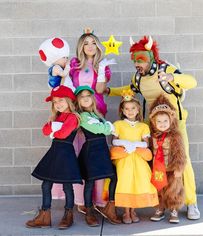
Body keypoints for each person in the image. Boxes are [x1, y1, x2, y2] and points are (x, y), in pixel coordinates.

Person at [107, 36, 200, 220]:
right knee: (156, 164)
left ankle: (191, 202)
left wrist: (172, 77)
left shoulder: (166, 69)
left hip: (175, 126)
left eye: (140, 59)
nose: (136, 63)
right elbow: (130, 89)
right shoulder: (139, 77)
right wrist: (110, 91)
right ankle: (162, 204)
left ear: (150, 57)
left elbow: (192, 82)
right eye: (134, 60)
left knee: (183, 162)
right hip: (154, 127)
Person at [52, 28, 115, 213]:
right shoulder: (74, 64)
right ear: (81, 46)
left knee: (95, 154)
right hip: (77, 112)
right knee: (77, 151)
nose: (89, 46)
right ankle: (80, 199)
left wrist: (102, 70)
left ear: (98, 45)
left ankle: (96, 199)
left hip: (96, 111)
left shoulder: (103, 65)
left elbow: (101, 90)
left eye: (93, 42)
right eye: (85, 43)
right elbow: (67, 86)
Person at [25, 85, 82, 230]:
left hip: (65, 154)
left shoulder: (73, 117)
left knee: (67, 186)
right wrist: (54, 127)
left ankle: (68, 215)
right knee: (45, 185)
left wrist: (54, 130)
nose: (58, 104)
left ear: (69, 100)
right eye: (55, 102)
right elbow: (45, 130)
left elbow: (63, 134)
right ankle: (45, 216)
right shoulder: (57, 116)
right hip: (54, 152)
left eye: (61, 100)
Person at [110, 89, 158, 224]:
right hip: (124, 158)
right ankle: (126, 212)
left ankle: (133, 210)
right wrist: (125, 143)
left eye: (133, 108)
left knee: (138, 182)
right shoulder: (118, 124)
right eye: (126, 108)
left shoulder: (143, 126)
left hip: (138, 158)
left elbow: (145, 144)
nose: (130, 111)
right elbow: (114, 141)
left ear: (138, 110)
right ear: (122, 110)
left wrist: (134, 145)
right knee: (126, 182)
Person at [75, 85, 121, 226]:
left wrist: (107, 126)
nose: (86, 98)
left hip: (101, 149)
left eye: (88, 95)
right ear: (78, 101)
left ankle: (110, 207)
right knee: (90, 181)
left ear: (92, 98)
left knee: (113, 176)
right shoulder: (82, 116)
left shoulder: (96, 114)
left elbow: (103, 126)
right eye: (82, 96)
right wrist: (109, 127)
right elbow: (101, 129)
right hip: (91, 150)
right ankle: (89, 211)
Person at [149, 94, 186, 223]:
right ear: (154, 122)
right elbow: (149, 151)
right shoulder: (152, 136)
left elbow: (180, 153)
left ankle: (174, 209)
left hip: (171, 169)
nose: (162, 124)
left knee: (173, 189)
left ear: (171, 120)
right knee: (159, 188)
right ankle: (160, 208)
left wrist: (179, 168)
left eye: (165, 121)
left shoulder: (175, 136)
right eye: (159, 121)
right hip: (158, 169)